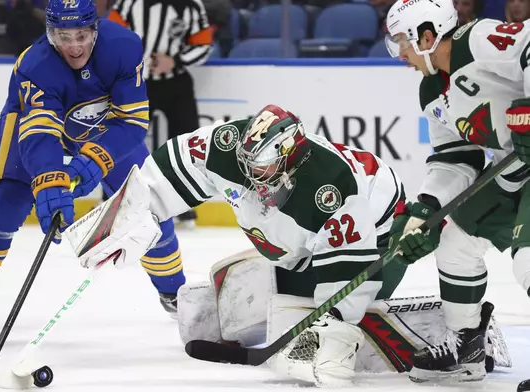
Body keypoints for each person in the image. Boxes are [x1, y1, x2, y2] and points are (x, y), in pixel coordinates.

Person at [66, 104, 413, 386]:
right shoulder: (228, 145)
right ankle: (303, 295)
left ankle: (354, 321)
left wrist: (334, 324)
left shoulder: (330, 187)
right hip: (302, 250)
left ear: (289, 155)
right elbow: (170, 169)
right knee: (199, 316)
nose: (249, 176)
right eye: (247, 163)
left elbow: (348, 262)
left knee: (326, 351)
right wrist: (126, 221)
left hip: (379, 242)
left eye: (260, 168)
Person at [0, 0, 187, 341]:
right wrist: (50, 183)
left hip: (103, 127)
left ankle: (176, 294)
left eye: (82, 35)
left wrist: (96, 159)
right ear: (49, 33)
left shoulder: (125, 46)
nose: (74, 45)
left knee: (146, 205)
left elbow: (132, 120)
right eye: (64, 36)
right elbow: (40, 135)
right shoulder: (34, 65)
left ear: (95, 28)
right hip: (30, 126)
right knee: (4, 205)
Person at [384, 0, 530, 383]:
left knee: (528, 259)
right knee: (455, 242)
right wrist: (426, 209)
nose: (400, 53)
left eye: (402, 40)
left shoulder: (479, 38)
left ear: (427, 36)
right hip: (513, 167)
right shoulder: (432, 90)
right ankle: (467, 344)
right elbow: (456, 158)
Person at [108, 0, 213, 228]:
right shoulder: (129, 3)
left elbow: (203, 44)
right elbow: (109, 37)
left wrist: (174, 61)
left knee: (190, 144)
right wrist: (135, 63)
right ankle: (113, 201)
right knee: (122, 140)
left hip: (176, 82)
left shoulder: (191, 5)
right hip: (135, 82)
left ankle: (185, 206)